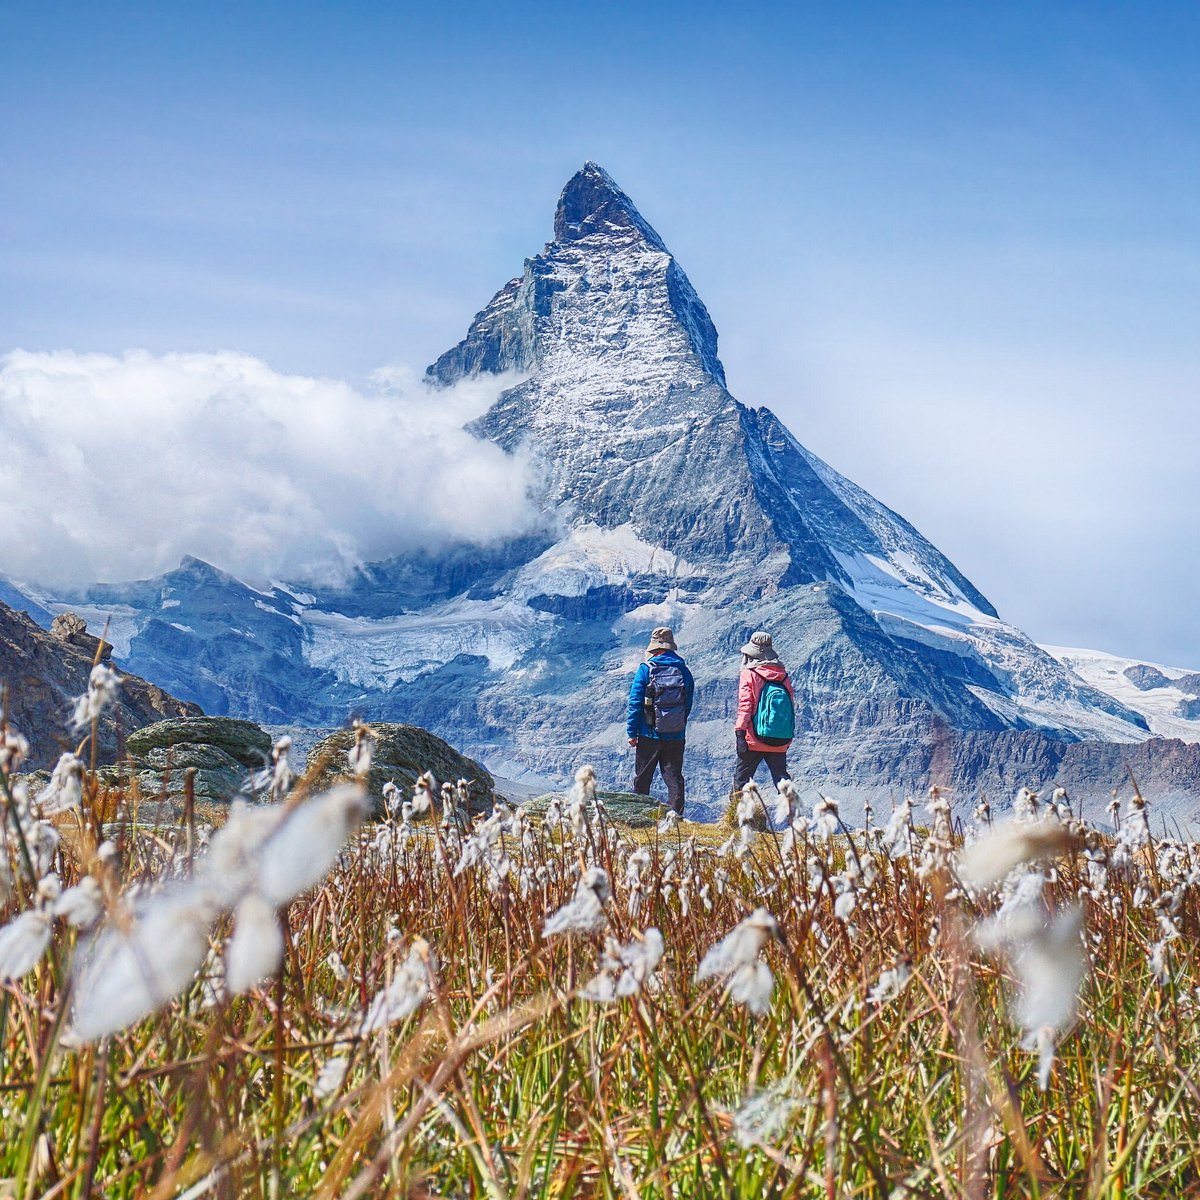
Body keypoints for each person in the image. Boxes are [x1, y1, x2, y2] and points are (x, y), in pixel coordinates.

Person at [627, 627, 694, 814]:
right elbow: (687, 702)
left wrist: (632, 733)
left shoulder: (646, 670)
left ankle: (638, 816)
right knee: (673, 778)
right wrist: (677, 724)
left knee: (642, 778)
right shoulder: (683, 670)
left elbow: (635, 702)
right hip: (675, 735)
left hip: (648, 733)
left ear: (654, 648)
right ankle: (676, 817)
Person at [733, 630, 796, 800]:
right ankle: (794, 818)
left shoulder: (750, 674)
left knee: (741, 781)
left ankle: (738, 820)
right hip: (779, 737)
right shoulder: (783, 676)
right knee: (783, 782)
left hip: (754, 738)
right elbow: (790, 706)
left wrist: (740, 733)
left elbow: (745, 705)